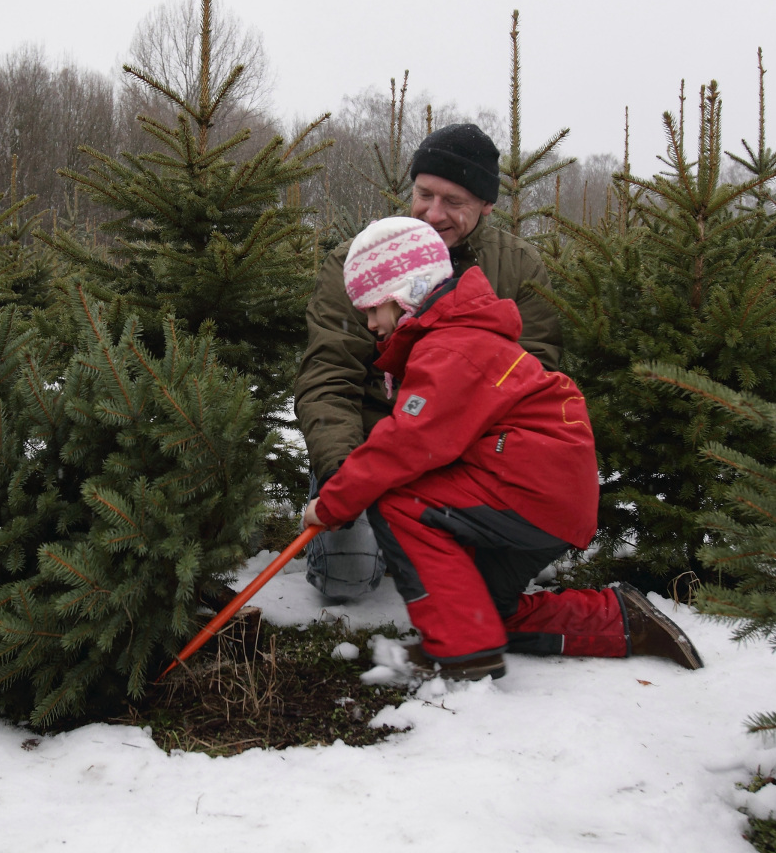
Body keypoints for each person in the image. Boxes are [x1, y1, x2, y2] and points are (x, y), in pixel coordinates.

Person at [300, 217, 703, 680]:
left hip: (527, 492)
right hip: (549, 498)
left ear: (405, 293)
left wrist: (331, 504)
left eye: (373, 309)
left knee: (398, 500)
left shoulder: (452, 348)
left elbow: (403, 445)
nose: (370, 323)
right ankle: (621, 620)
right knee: (479, 611)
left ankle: (464, 656)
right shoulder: (457, 336)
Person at [295, 122, 560, 600]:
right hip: (369, 448)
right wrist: (341, 476)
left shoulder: (518, 269)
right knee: (345, 579)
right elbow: (328, 377)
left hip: (468, 457)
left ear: (486, 206)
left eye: (454, 202)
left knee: (479, 588)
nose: (433, 213)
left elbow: (535, 380)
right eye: (424, 194)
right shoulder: (357, 264)